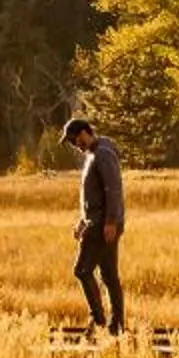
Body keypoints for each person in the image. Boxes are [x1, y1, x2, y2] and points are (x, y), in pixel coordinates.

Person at [63, 114, 125, 334]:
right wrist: (82, 221)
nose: (74, 145)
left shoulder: (103, 154)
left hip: (101, 226)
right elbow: (94, 196)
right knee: (108, 275)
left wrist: (110, 222)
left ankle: (98, 320)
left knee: (81, 270)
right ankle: (115, 326)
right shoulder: (93, 154)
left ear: (84, 133)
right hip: (95, 223)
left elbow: (113, 190)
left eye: (74, 140)